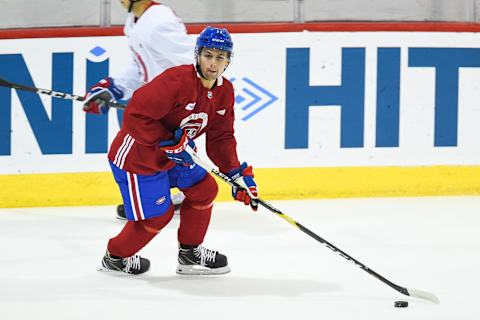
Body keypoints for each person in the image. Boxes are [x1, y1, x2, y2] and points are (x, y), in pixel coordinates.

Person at [98, 26, 259, 275]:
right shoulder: (177, 80)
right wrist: (166, 141)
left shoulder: (224, 91)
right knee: (157, 217)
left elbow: (221, 137)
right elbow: (135, 115)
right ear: (197, 55)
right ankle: (115, 258)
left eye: (220, 57)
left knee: (205, 190)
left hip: (175, 156)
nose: (213, 64)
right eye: (208, 55)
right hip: (138, 157)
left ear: (228, 60)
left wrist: (237, 174)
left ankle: (190, 253)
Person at [83, 0, 190, 219]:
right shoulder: (134, 21)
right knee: (145, 152)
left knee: (132, 151)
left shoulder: (160, 20)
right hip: (155, 102)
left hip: (170, 105)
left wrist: (181, 106)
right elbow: (141, 66)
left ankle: (159, 201)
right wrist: (116, 87)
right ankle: (169, 197)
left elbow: (190, 64)